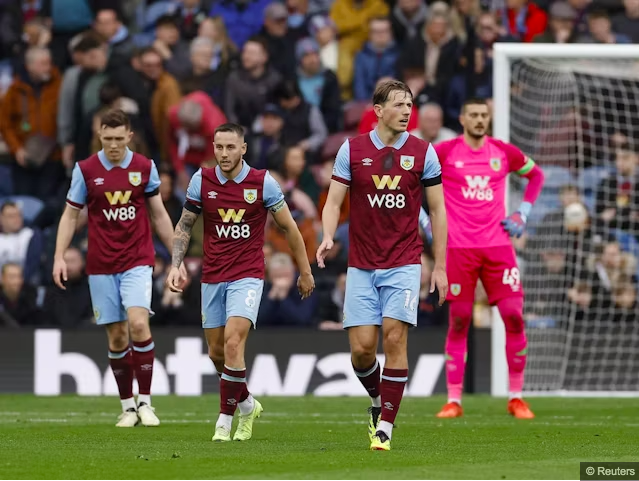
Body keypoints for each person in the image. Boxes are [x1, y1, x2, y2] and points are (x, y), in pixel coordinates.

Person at [316, 79, 448, 451]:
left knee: (394, 336)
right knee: (361, 350)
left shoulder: (424, 152)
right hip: (361, 264)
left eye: (410, 105)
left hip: (405, 261)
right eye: (399, 105)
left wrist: (439, 264)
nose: (407, 111)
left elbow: (437, 210)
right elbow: (332, 201)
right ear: (378, 110)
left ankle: (386, 427)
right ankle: (377, 402)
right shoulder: (352, 149)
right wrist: (328, 235)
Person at [166, 123, 315, 442]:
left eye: (230, 147)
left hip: (247, 275)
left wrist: (305, 271)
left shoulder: (263, 183)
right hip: (212, 276)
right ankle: (247, 404)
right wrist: (175, 265)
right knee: (217, 353)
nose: (223, 153)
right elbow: (185, 225)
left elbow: (289, 228)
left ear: (243, 148)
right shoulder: (201, 180)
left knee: (234, 342)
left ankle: (225, 421)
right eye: (219, 147)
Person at [53, 109, 186, 428]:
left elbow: (158, 215)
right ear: (100, 136)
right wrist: (60, 255)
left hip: (138, 259)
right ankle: (128, 407)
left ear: (129, 136)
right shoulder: (85, 170)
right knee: (115, 337)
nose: (113, 145)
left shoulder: (144, 167)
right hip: (100, 264)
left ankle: (146, 403)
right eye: (107, 138)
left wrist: (176, 258)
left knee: (138, 325)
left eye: (118, 139)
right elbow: (71, 216)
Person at [434, 97, 545, 419]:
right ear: (462, 118)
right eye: (474, 115)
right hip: (459, 248)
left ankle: (516, 397)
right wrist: (425, 220)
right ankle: (453, 400)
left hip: (498, 247)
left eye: (484, 115)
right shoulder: (445, 151)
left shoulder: (503, 151)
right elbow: (415, 182)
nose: (480, 120)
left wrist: (522, 213)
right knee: (459, 320)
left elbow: (536, 176)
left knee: (513, 315)